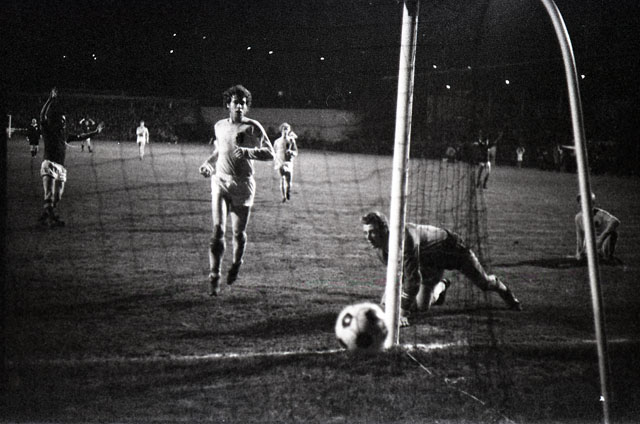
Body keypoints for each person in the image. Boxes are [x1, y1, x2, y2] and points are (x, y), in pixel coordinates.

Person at [362, 211, 521, 327]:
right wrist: (386, 298)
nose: (368, 238)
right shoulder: (381, 251)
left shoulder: (405, 239)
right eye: (365, 233)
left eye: (372, 232)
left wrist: (402, 314)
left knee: (484, 283)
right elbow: (396, 275)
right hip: (429, 262)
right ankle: (442, 286)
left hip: (454, 251)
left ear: (384, 229)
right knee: (421, 306)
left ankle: (506, 293)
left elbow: (413, 280)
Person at [199, 85, 275, 296]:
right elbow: (219, 151)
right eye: (236, 102)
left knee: (238, 233)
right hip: (220, 182)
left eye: (243, 103)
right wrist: (207, 164)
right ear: (228, 105)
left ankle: (236, 263)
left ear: (246, 106)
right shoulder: (219, 126)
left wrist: (249, 152)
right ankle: (214, 275)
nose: (240, 106)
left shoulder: (253, 127)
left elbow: (270, 153)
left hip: (243, 184)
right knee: (218, 230)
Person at [39, 87, 104, 227]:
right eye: (62, 120)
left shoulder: (65, 136)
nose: (64, 122)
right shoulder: (48, 130)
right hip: (49, 164)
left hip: (61, 167)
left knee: (58, 196)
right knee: (49, 194)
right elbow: (42, 116)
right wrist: (50, 99)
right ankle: (52, 219)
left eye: (64, 120)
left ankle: (46, 215)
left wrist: (95, 132)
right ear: (56, 121)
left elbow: (81, 136)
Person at [575, 193, 620, 263]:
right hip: (590, 246)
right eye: (581, 203)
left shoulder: (599, 213)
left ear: (592, 203)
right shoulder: (578, 217)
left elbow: (615, 221)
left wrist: (601, 238)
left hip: (602, 244)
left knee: (613, 233)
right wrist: (579, 252)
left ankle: (607, 256)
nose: (583, 205)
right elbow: (580, 236)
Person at [273, 122, 298, 202]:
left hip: (288, 163)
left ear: (289, 130)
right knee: (282, 178)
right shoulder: (277, 141)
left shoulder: (291, 140)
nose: (285, 130)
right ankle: (283, 196)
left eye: (287, 129)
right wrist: (275, 159)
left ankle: (288, 191)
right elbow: (274, 152)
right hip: (280, 163)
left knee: (289, 181)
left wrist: (291, 152)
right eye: (284, 129)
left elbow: (296, 152)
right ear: (281, 130)